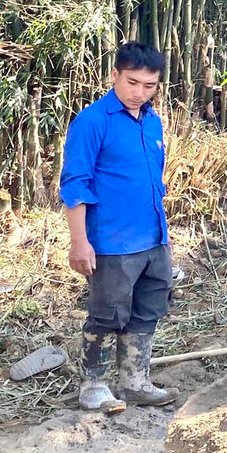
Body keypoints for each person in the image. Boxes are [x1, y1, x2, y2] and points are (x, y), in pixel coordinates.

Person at [59, 41, 176, 412]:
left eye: (149, 86)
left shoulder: (153, 121)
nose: (139, 92)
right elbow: (75, 185)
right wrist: (79, 241)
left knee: (147, 310)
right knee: (107, 315)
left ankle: (134, 381)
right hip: (111, 241)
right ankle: (93, 386)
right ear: (114, 75)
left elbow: (152, 177)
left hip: (153, 237)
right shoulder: (92, 122)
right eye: (132, 82)